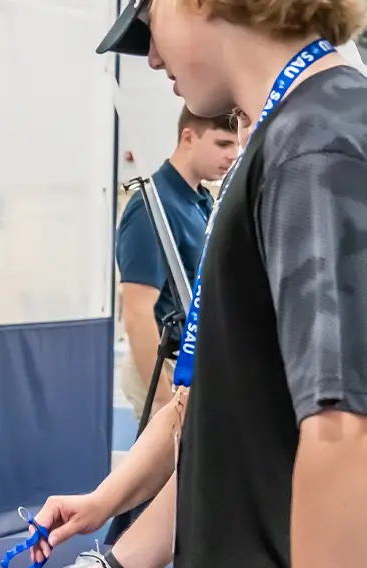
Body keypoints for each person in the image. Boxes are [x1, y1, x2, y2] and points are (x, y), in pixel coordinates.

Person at [34, 0, 367, 566]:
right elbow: (229, 424)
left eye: (151, 19)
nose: (153, 56)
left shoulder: (314, 147)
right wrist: (114, 557)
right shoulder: (290, 141)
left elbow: (343, 431)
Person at [115, 106, 238, 422]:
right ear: (189, 136)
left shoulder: (202, 202)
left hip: (196, 363)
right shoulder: (150, 207)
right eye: (223, 144)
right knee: (168, 471)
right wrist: (162, 399)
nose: (232, 155)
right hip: (163, 367)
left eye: (237, 145)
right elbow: (137, 312)